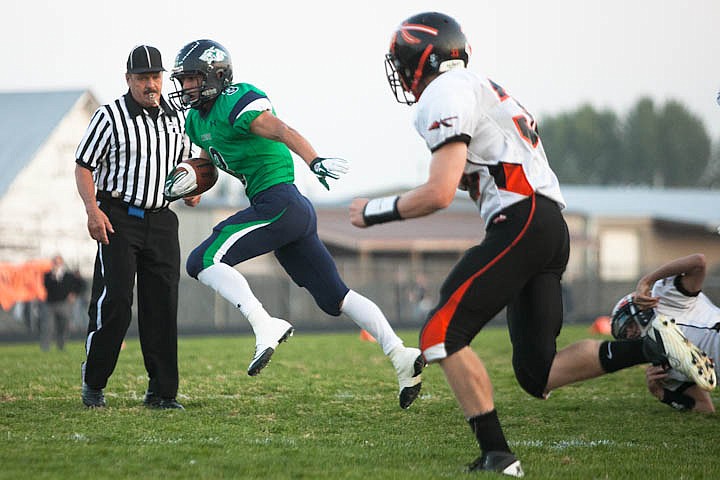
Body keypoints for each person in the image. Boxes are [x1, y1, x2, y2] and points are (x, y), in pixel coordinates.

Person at [350, 12, 708, 477]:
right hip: (548, 226)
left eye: (403, 62)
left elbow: (438, 193)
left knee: (440, 332)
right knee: (536, 374)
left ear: (424, 60)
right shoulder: (483, 87)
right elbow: (481, 170)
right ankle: (650, 347)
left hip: (520, 221)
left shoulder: (443, 93)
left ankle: (498, 457)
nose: (400, 73)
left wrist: (373, 211)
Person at [164, 39, 424, 409]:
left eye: (192, 79)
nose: (186, 87)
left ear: (215, 75)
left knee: (201, 261)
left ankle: (264, 324)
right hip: (287, 211)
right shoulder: (196, 121)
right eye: (184, 80)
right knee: (337, 298)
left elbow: (281, 129)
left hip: (280, 202)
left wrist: (314, 159)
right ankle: (401, 354)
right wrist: (191, 189)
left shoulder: (237, 100)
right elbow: (207, 166)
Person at [75, 45, 199, 409]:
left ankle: (161, 392)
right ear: (128, 79)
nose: (151, 84)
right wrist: (91, 210)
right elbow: (84, 165)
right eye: (143, 77)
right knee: (115, 301)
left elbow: (187, 161)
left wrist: (193, 188)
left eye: (156, 76)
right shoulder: (109, 116)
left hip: (162, 219)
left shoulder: (176, 116)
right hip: (118, 218)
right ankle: (94, 382)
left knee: (162, 305)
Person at [611, 253, 718, 413]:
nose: (629, 334)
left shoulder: (664, 299)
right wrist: (661, 393)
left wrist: (646, 280)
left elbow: (698, 262)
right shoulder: (660, 367)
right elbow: (705, 408)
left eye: (628, 325)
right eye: (624, 333)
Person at [40, 255, 77, 351]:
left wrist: (74, 293)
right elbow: (46, 286)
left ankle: (61, 346)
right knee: (48, 327)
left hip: (63, 304)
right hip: (50, 304)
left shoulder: (68, 276)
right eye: (55, 262)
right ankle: (45, 347)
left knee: (64, 326)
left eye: (58, 262)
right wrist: (54, 277)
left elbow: (78, 285)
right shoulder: (47, 275)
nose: (57, 265)